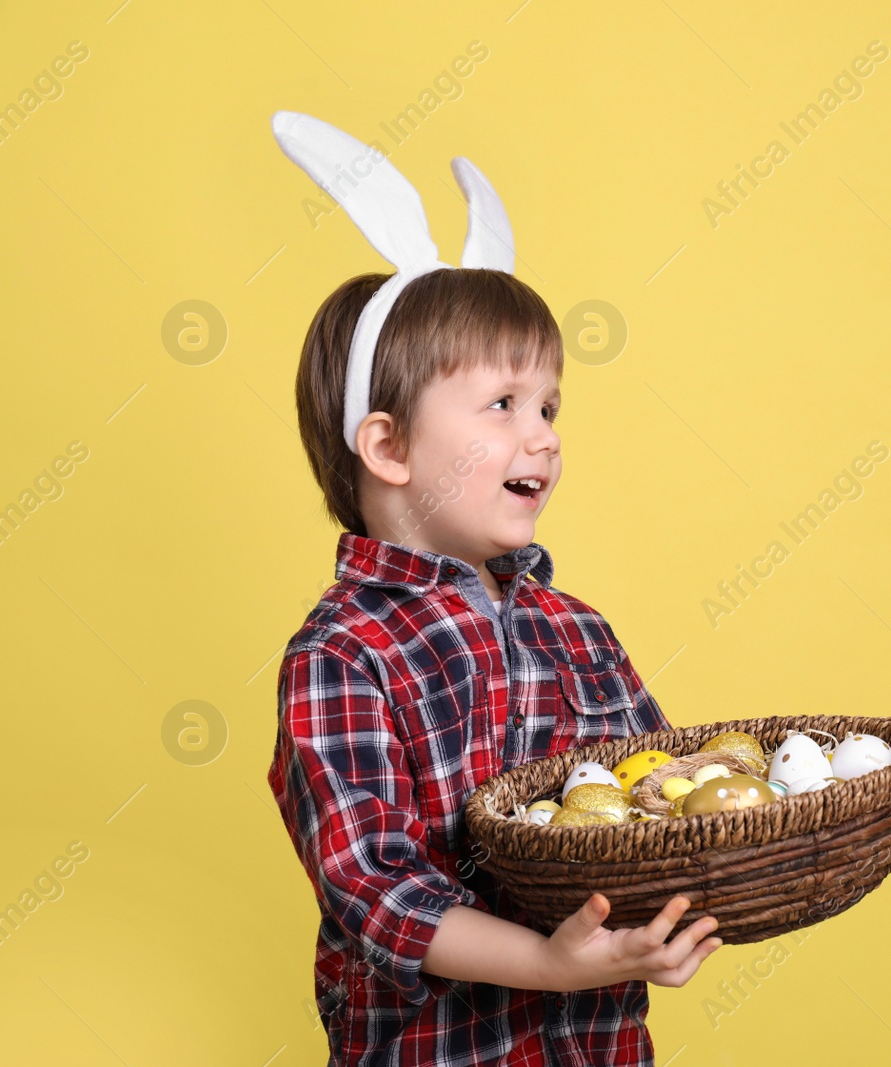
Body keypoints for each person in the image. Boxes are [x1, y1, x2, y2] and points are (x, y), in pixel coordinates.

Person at [265, 111, 720, 1066]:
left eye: (550, 404)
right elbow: (375, 889)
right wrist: (548, 963)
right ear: (388, 446)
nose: (544, 435)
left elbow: (650, 794)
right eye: (503, 404)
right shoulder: (342, 654)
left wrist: (669, 906)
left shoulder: (579, 632)